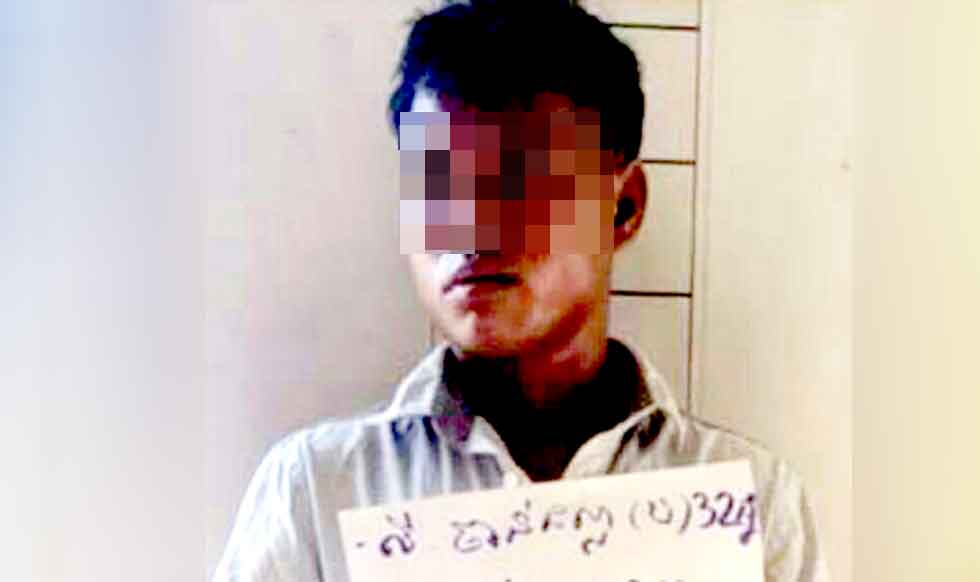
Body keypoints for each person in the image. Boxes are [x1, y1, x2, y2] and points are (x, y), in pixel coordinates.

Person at [213, 2, 828, 581]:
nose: (469, 225)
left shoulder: (754, 501)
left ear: (623, 208)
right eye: (436, 183)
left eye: (520, 180)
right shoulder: (315, 491)